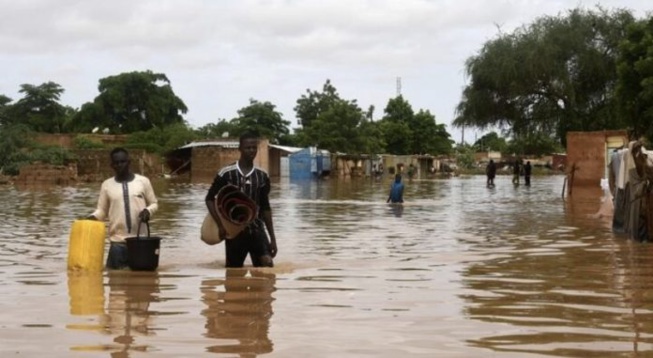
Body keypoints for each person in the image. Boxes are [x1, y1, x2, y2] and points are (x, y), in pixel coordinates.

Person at [205, 131, 278, 268]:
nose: (251, 150)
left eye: (254, 147)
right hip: (234, 232)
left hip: (257, 229)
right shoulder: (226, 174)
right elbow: (209, 199)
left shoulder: (262, 176)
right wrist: (220, 225)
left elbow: (265, 207)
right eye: (247, 147)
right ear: (240, 149)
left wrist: (273, 239)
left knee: (267, 267)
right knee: (233, 274)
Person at [88, 147, 158, 270]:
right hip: (117, 243)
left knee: (142, 284)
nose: (119, 165)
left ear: (129, 162)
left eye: (122, 162)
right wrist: (92, 217)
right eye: (116, 163)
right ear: (112, 165)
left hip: (140, 242)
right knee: (115, 282)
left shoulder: (143, 181)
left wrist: (148, 211)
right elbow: (102, 211)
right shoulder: (107, 185)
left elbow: (154, 203)